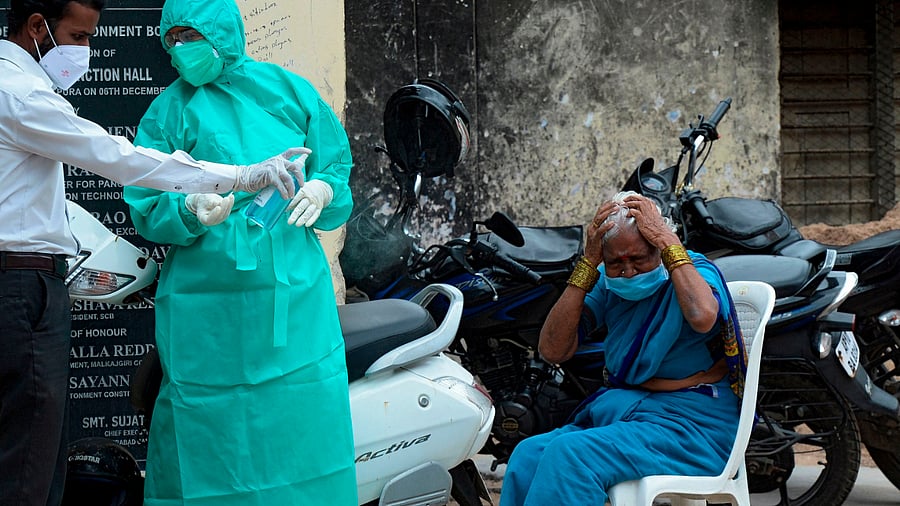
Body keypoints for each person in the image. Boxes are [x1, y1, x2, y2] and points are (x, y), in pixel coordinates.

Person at [0, 1, 306, 504]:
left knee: (34, 452)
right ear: (37, 27)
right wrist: (240, 176)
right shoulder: (19, 93)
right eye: (78, 37)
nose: (86, 51)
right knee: (28, 463)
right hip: (22, 288)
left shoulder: (284, 90)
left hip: (31, 281)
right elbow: (120, 158)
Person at [122, 0, 357, 504]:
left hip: (291, 297)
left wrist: (323, 191)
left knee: (302, 418)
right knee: (205, 426)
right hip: (206, 307)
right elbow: (145, 199)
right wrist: (189, 208)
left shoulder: (288, 92)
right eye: (173, 39)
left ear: (222, 33)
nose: (181, 48)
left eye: (192, 35)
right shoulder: (168, 112)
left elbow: (334, 166)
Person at [499, 192, 746, 505]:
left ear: (659, 249)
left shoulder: (692, 270)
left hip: (693, 427)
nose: (628, 271)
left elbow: (702, 316)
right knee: (528, 454)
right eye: (616, 262)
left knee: (572, 455)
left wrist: (667, 240)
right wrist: (588, 265)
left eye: (638, 259)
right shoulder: (607, 282)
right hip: (633, 415)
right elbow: (552, 350)